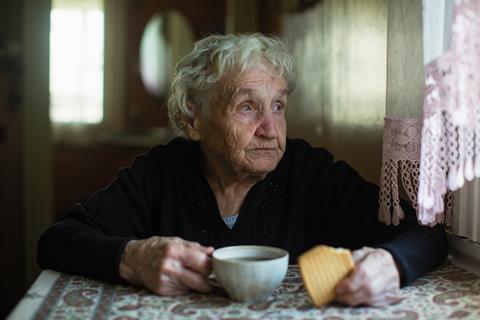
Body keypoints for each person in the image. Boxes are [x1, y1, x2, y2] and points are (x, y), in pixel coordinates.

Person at [37, 33, 447, 306]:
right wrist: (133, 257)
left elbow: (424, 229)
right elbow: (57, 239)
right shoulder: (161, 172)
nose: (270, 130)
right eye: (247, 107)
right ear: (193, 118)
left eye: (279, 106)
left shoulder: (309, 171)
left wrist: (391, 264)